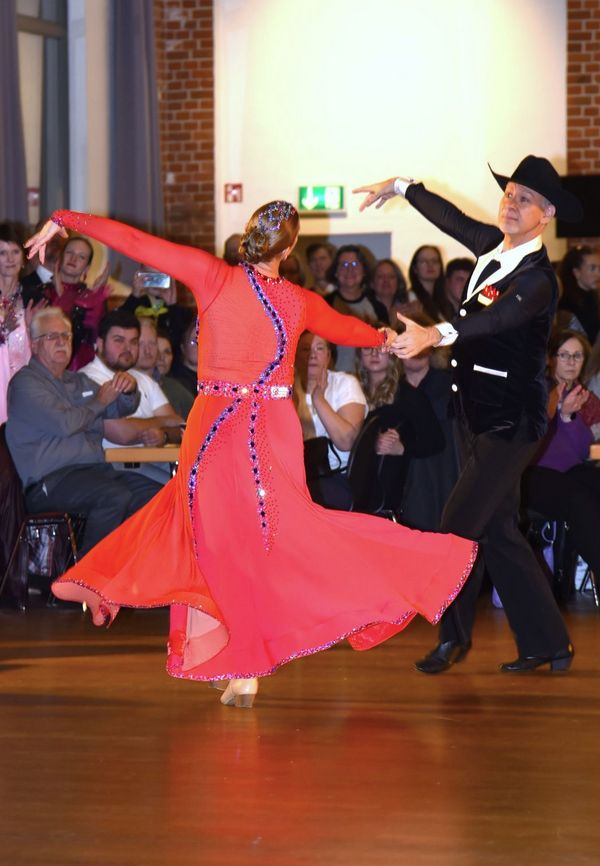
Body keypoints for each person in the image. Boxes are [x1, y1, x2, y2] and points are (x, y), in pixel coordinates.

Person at [26, 200, 475, 709]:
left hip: (217, 428)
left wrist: (66, 218)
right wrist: (392, 339)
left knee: (216, 541)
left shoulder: (213, 276)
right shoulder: (299, 301)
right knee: (269, 539)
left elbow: (137, 243)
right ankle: (246, 651)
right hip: (268, 431)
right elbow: (351, 329)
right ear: (289, 248)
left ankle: (244, 657)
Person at [355, 154, 581, 673]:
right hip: (472, 415)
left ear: (545, 214)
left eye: (525, 199)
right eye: (510, 193)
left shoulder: (540, 279)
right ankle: (548, 642)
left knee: (455, 524)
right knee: (498, 529)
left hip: (512, 423)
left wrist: (435, 334)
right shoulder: (489, 249)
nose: (512, 203)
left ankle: (451, 637)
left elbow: (498, 319)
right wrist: (402, 186)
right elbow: (450, 216)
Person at [5, 307, 161, 555]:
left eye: (66, 336)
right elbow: (66, 424)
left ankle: (131, 575)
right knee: (114, 497)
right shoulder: (26, 384)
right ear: (34, 346)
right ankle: (85, 583)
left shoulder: (77, 381)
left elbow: (117, 410)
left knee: (157, 496)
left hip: (95, 471)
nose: (61, 342)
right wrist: (98, 403)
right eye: (52, 337)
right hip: (51, 480)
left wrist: (129, 390)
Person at [522, 328, 600, 589]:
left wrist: (567, 418)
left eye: (577, 356)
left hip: (566, 472)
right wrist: (558, 412)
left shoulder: (585, 398)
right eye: (564, 355)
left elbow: (578, 451)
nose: (570, 361)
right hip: (532, 473)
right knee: (580, 500)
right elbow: (533, 445)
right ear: (550, 358)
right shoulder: (538, 391)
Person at [293, 331, 367, 509]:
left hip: (337, 477)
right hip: (295, 476)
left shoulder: (345, 383)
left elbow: (346, 441)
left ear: (328, 355)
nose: (312, 355)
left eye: (319, 348)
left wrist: (319, 400)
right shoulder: (283, 388)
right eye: (305, 349)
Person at [42, 235, 111, 370]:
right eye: (69, 253)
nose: (73, 259)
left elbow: (95, 334)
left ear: (87, 268)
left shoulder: (92, 298)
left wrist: (92, 297)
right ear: (60, 258)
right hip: (48, 367)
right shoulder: (43, 292)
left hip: (83, 370)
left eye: (81, 257)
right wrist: (59, 296)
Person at [326, 245, 389, 371]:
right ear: (335, 272)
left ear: (364, 271)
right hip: (335, 376)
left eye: (355, 264)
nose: (349, 270)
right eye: (343, 265)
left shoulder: (378, 307)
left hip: (370, 377)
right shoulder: (325, 303)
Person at [0, 222, 32, 424]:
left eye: (15, 252)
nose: (10, 259)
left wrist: (32, 329)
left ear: (23, 258)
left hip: (25, 387)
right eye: (2, 253)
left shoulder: (34, 297)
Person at [557, 246, 600, 344]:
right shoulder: (565, 304)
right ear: (576, 272)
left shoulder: (595, 297)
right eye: (592, 268)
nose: (598, 274)